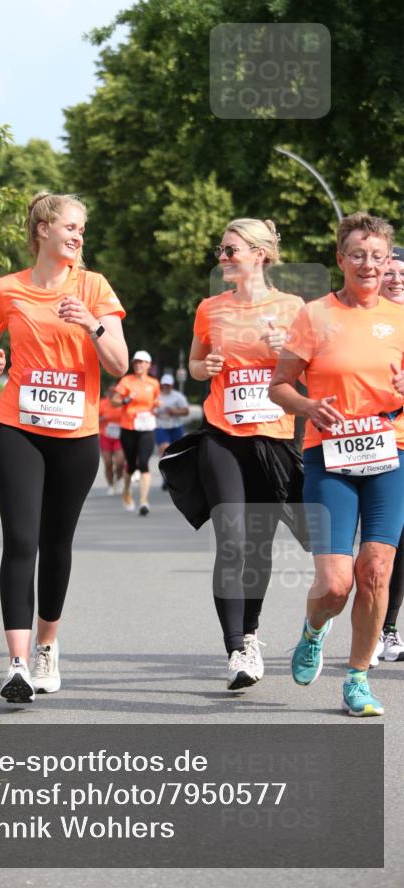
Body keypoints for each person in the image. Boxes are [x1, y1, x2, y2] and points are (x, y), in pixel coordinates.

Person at [0, 191, 127, 704]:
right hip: (16, 427)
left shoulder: (94, 287)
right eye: (71, 226)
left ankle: (46, 647)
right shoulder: (8, 288)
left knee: (56, 543)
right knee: (20, 541)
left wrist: (91, 323)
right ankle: (16, 665)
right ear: (43, 229)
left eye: (82, 229)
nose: (79, 235)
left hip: (76, 436)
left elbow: (119, 364)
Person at [270, 213, 404, 717]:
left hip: (391, 453)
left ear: (388, 261)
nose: (369, 264)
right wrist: (307, 406)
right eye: (358, 255)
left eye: (378, 256)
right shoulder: (314, 315)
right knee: (335, 585)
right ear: (341, 259)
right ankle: (313, 630)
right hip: (329, 456)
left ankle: (358, 678)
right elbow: (279, 386)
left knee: (376, 571)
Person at [188, 218, 304, 691]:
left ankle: (251, 632)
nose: (222, 257)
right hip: (222, 435)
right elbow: (195, 365)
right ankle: (236, 647)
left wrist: (287, 351)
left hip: (273, 440)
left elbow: (314, 373)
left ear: (259, 254)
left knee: (258, 544)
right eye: (220, 249)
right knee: (232, 541)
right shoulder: (210, 308)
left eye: (230, 250)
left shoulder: (293, 308)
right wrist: (206, 366)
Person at [373, 246, 404, 663]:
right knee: (380, 543)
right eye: (389, 272)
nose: (396, 279)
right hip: (375, 442)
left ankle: (387, 628)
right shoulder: (360, 321)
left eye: (403, 274)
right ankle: (369, 624)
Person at [113, 351, 160, 516]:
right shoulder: (127, 381)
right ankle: (126, 490)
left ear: (148, 365)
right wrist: (126, 399)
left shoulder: (154, 383)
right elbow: (114, 400)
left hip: (147, 427)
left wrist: (157, 405)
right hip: (129, 427)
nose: (138, 365)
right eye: (136, 362)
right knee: (131, 465)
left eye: (141, 362)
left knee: (144, 463)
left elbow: (155, 401)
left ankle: (144, 501)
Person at [155, 373, 190, 460]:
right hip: (161, 427)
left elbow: (186, 411)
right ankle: (163, 464)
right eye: (164, 384)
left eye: (168, 384)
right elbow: (150, 410)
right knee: (164, 448)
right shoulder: (156, 396)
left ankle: (174, 466)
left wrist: (174, 411)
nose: (166, 386)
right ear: (161, 384)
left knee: (176, 451)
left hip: (176, 427)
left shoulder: (178, 396)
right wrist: (155, 414)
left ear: (172, 385)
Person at [98, 383, 125, 495]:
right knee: (108, 463)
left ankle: (119, 479)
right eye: (112, 391)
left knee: (120, 462)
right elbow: (94, 419)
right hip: (105, 436)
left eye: (116, 392)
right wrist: (102, 418)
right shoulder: (102, 403)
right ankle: (110, 485)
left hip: (119, 437)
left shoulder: (123, 403)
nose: (113, 393)